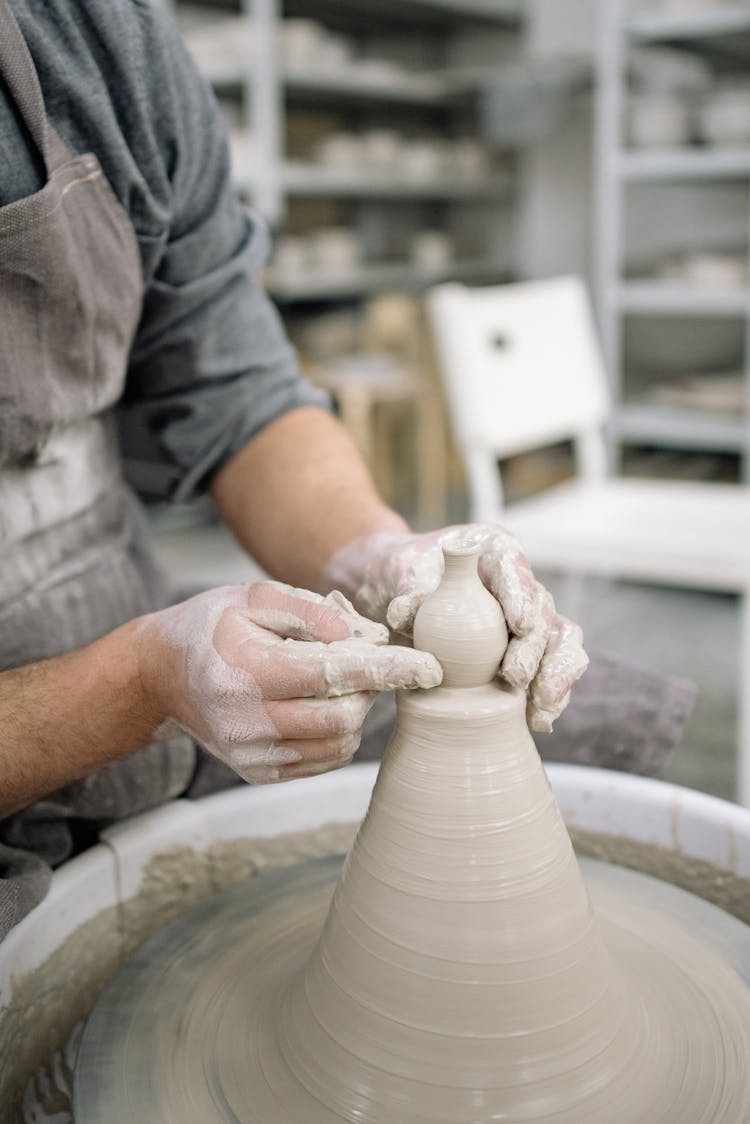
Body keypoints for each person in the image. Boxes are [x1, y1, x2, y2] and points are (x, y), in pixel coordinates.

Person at [0, 0, 692, 954]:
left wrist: (378, 551)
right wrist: (136, 684)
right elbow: (135, 682)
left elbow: (237, 390)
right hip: (53, 709)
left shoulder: (96, 38)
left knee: (600, 715)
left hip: (117, 616)